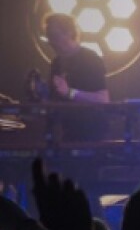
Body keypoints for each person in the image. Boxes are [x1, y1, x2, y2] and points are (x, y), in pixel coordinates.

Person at [39, 13, 111, 142]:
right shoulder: (56, 62)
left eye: (54, 36)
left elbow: (103, 99)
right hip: (67, 134)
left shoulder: (90, 58)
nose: (51, 42)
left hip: (92, 135)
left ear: (69, 33)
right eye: (48, 37)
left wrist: (70, 93)